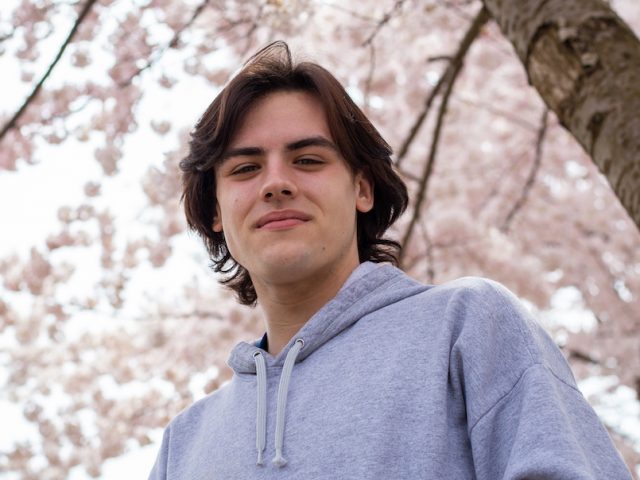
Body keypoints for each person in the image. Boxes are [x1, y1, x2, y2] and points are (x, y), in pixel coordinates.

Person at [148, 41, 631, 479]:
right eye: (246, 168)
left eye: (308, 160)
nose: (276, 183)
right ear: (215, 210)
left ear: (362, 188)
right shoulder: (183, 444)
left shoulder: (467, 325)